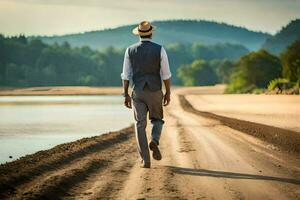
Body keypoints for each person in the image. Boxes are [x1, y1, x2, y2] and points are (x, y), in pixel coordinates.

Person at [121, 21, 172, 168]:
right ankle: (154, 140)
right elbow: (166, 74)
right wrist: (167, 92)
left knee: (139, 124)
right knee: (157, 119)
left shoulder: (130, 50)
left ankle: (146, 160)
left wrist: (125, 94)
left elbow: (126, 75)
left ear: (139, 34)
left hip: (138, 91)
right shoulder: (160, 50)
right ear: (151, 33)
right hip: (155, 90)